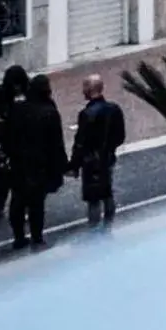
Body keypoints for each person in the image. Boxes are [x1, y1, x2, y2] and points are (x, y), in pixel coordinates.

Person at [1, 73, 66, 249]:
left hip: (18, 163)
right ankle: (37, 238)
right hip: (40, 165)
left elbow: (7, 136)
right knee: (36, 203)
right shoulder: (50, 112)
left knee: (18, 201)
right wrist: (62, 166)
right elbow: (56, 144)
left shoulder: (17, 109)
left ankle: (19, 238)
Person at [69, 74, 126, 230]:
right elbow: (120, 136)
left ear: (89, 89)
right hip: (108, 158)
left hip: (91, 162)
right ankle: (109, 226)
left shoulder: (86, 114)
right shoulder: (114, 109)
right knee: (107, 193)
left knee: (93, 199)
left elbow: (80, 142)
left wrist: (74, 165)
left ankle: (94, 230)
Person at [0, 65, 29, 222]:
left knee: (21, 178)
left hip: (22, 143)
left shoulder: (30, 95)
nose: (16, 88)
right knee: (1, 179)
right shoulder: (0, 93)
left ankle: (23, 209)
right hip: (3, 143)